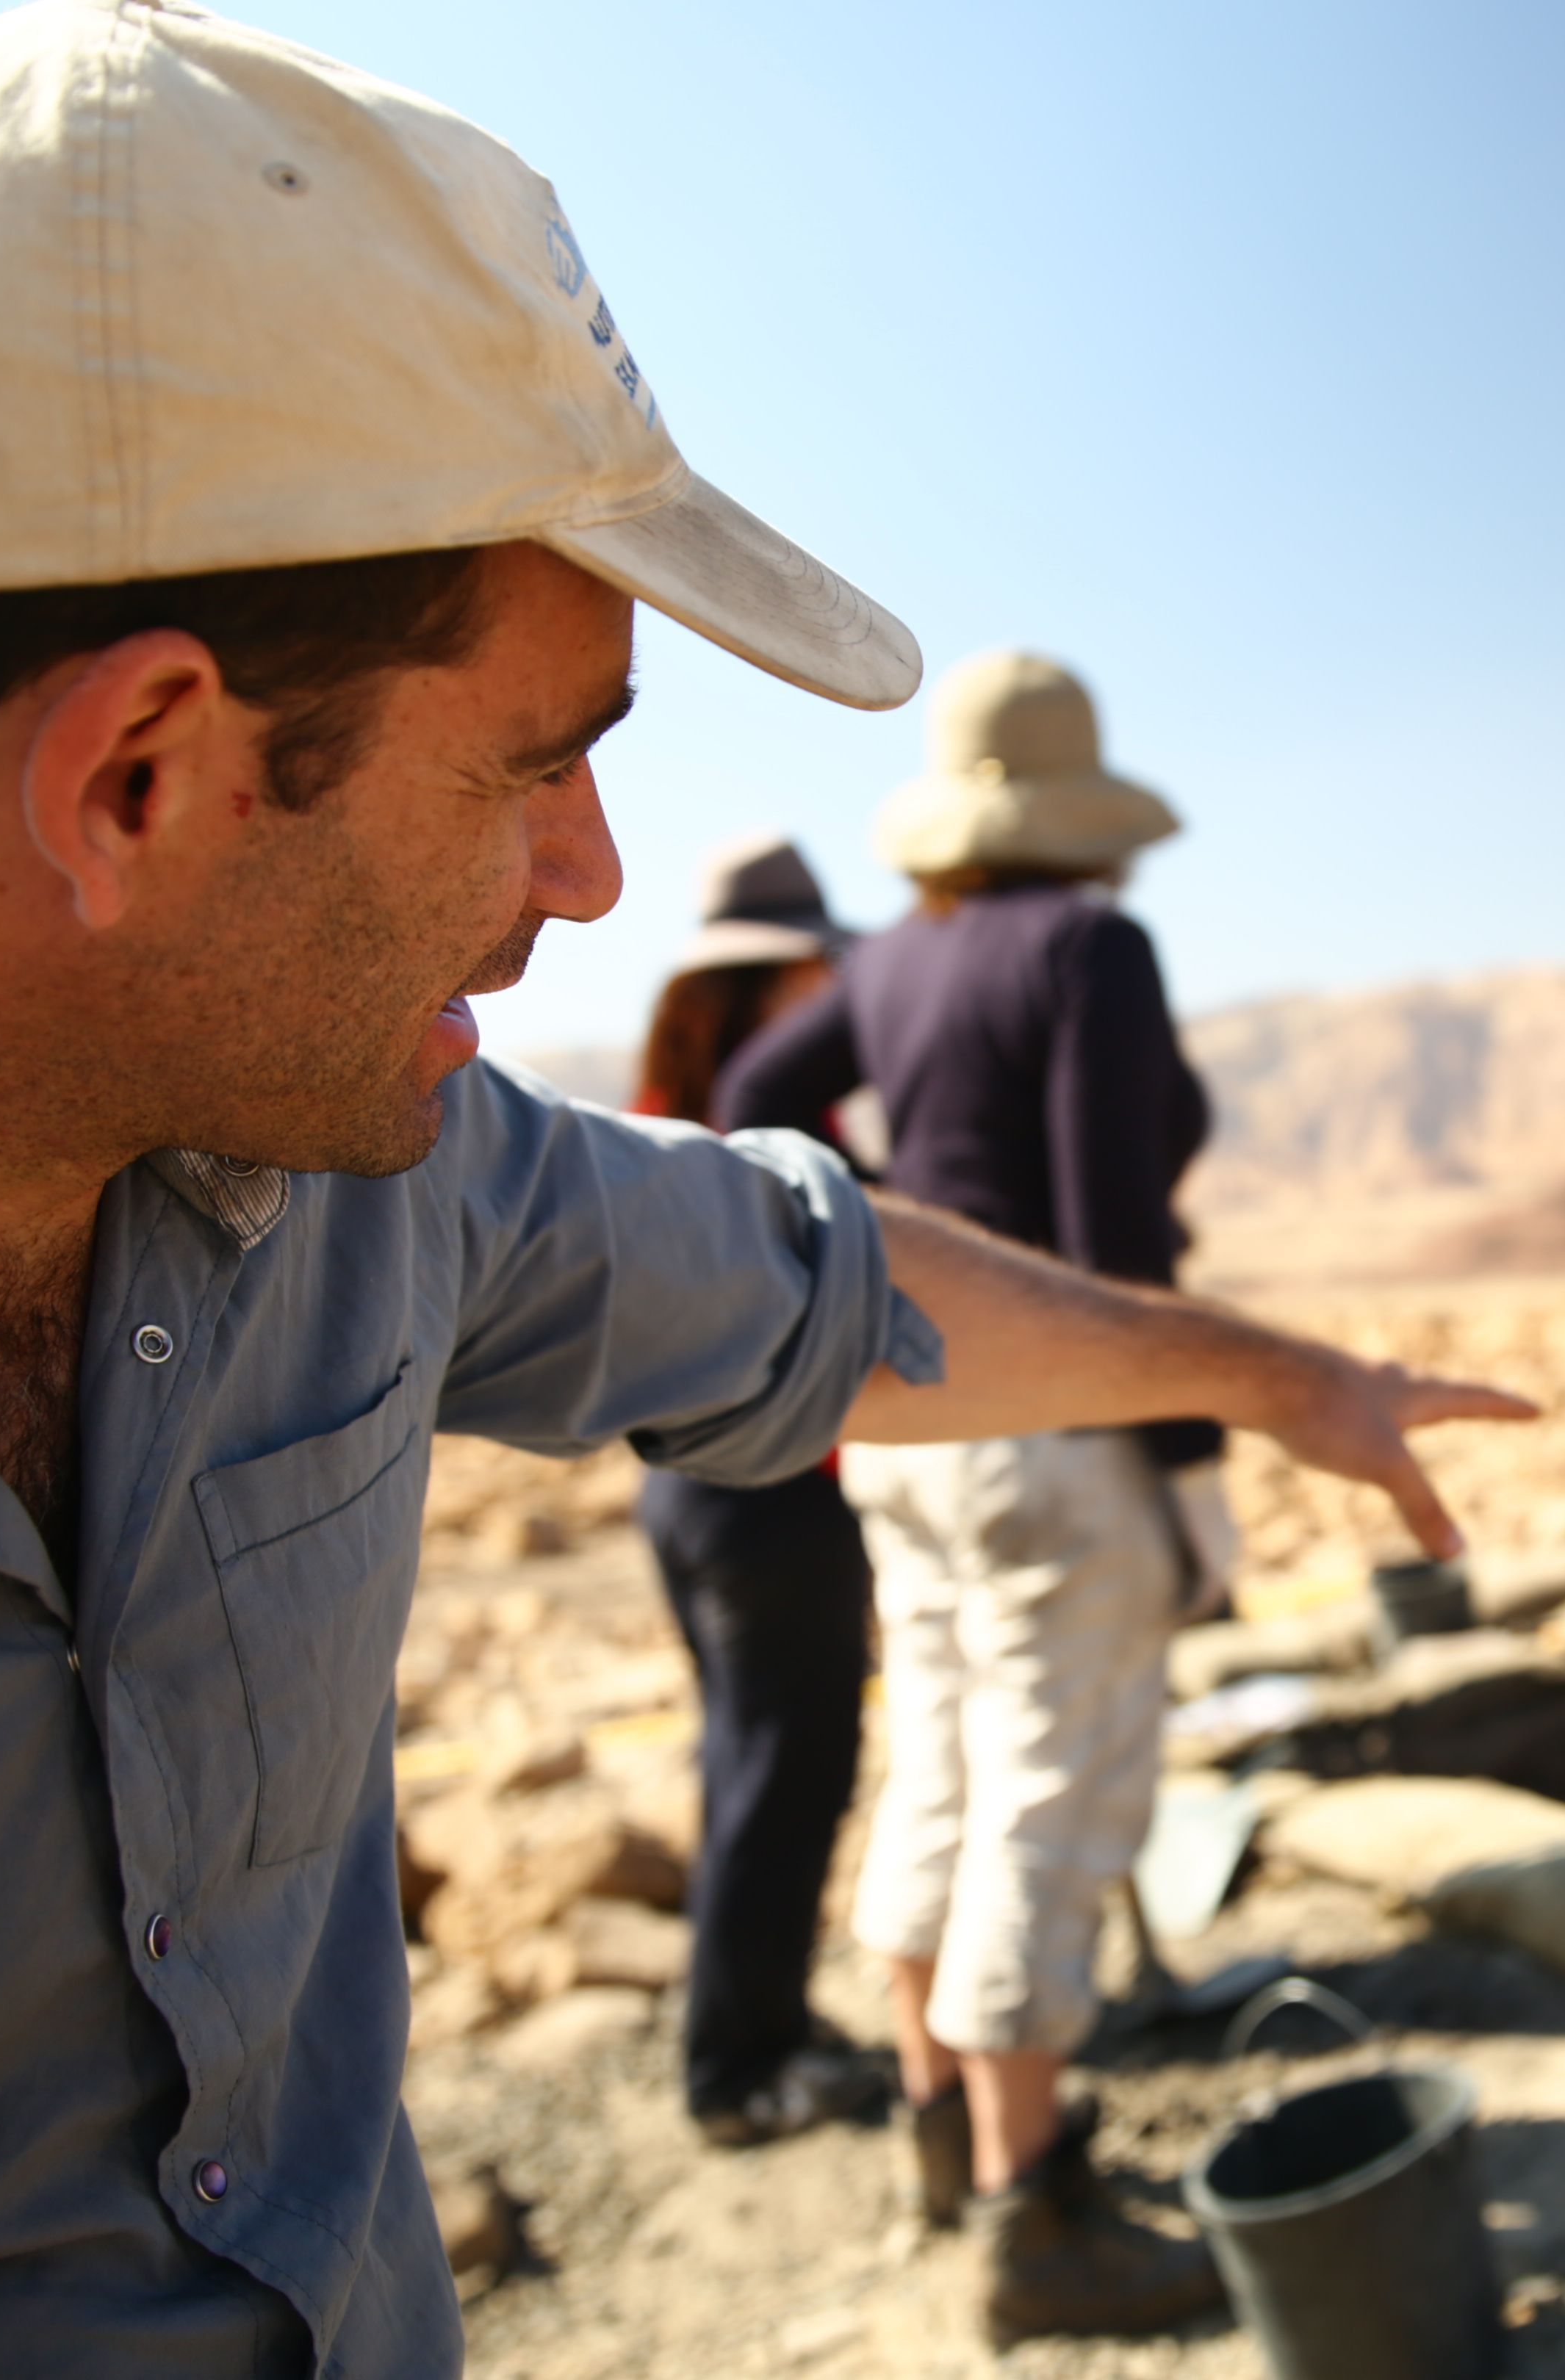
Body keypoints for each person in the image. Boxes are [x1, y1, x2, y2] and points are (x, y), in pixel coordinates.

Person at [0, 15, 1527, 2375]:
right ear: (134, 776)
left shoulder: (348, 1172)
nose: (591, 880)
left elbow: (819, 1287)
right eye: (536, 767)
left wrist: (1283, 1376)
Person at [717, 649, 1234, 2343]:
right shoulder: (1090, 944)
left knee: (939, 1753)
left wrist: (866, 1239)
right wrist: (1188, 1447)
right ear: (1081, 811)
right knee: (1050, 1786)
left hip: (900, 1418)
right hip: (1055, 1423)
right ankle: (1038, 2208)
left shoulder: (895, 961)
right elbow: (1108, 1217)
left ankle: (939, 2126)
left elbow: (746, 1104)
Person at [624, 837, 891, 2149]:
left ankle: (753, 2029)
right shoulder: (773, 1120)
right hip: (771, 1490)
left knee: (748, 1762)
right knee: (790, 1767)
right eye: (817, 970)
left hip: (698, 1491)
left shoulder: (677, 1101)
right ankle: (741, 2072)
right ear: (782, 975)